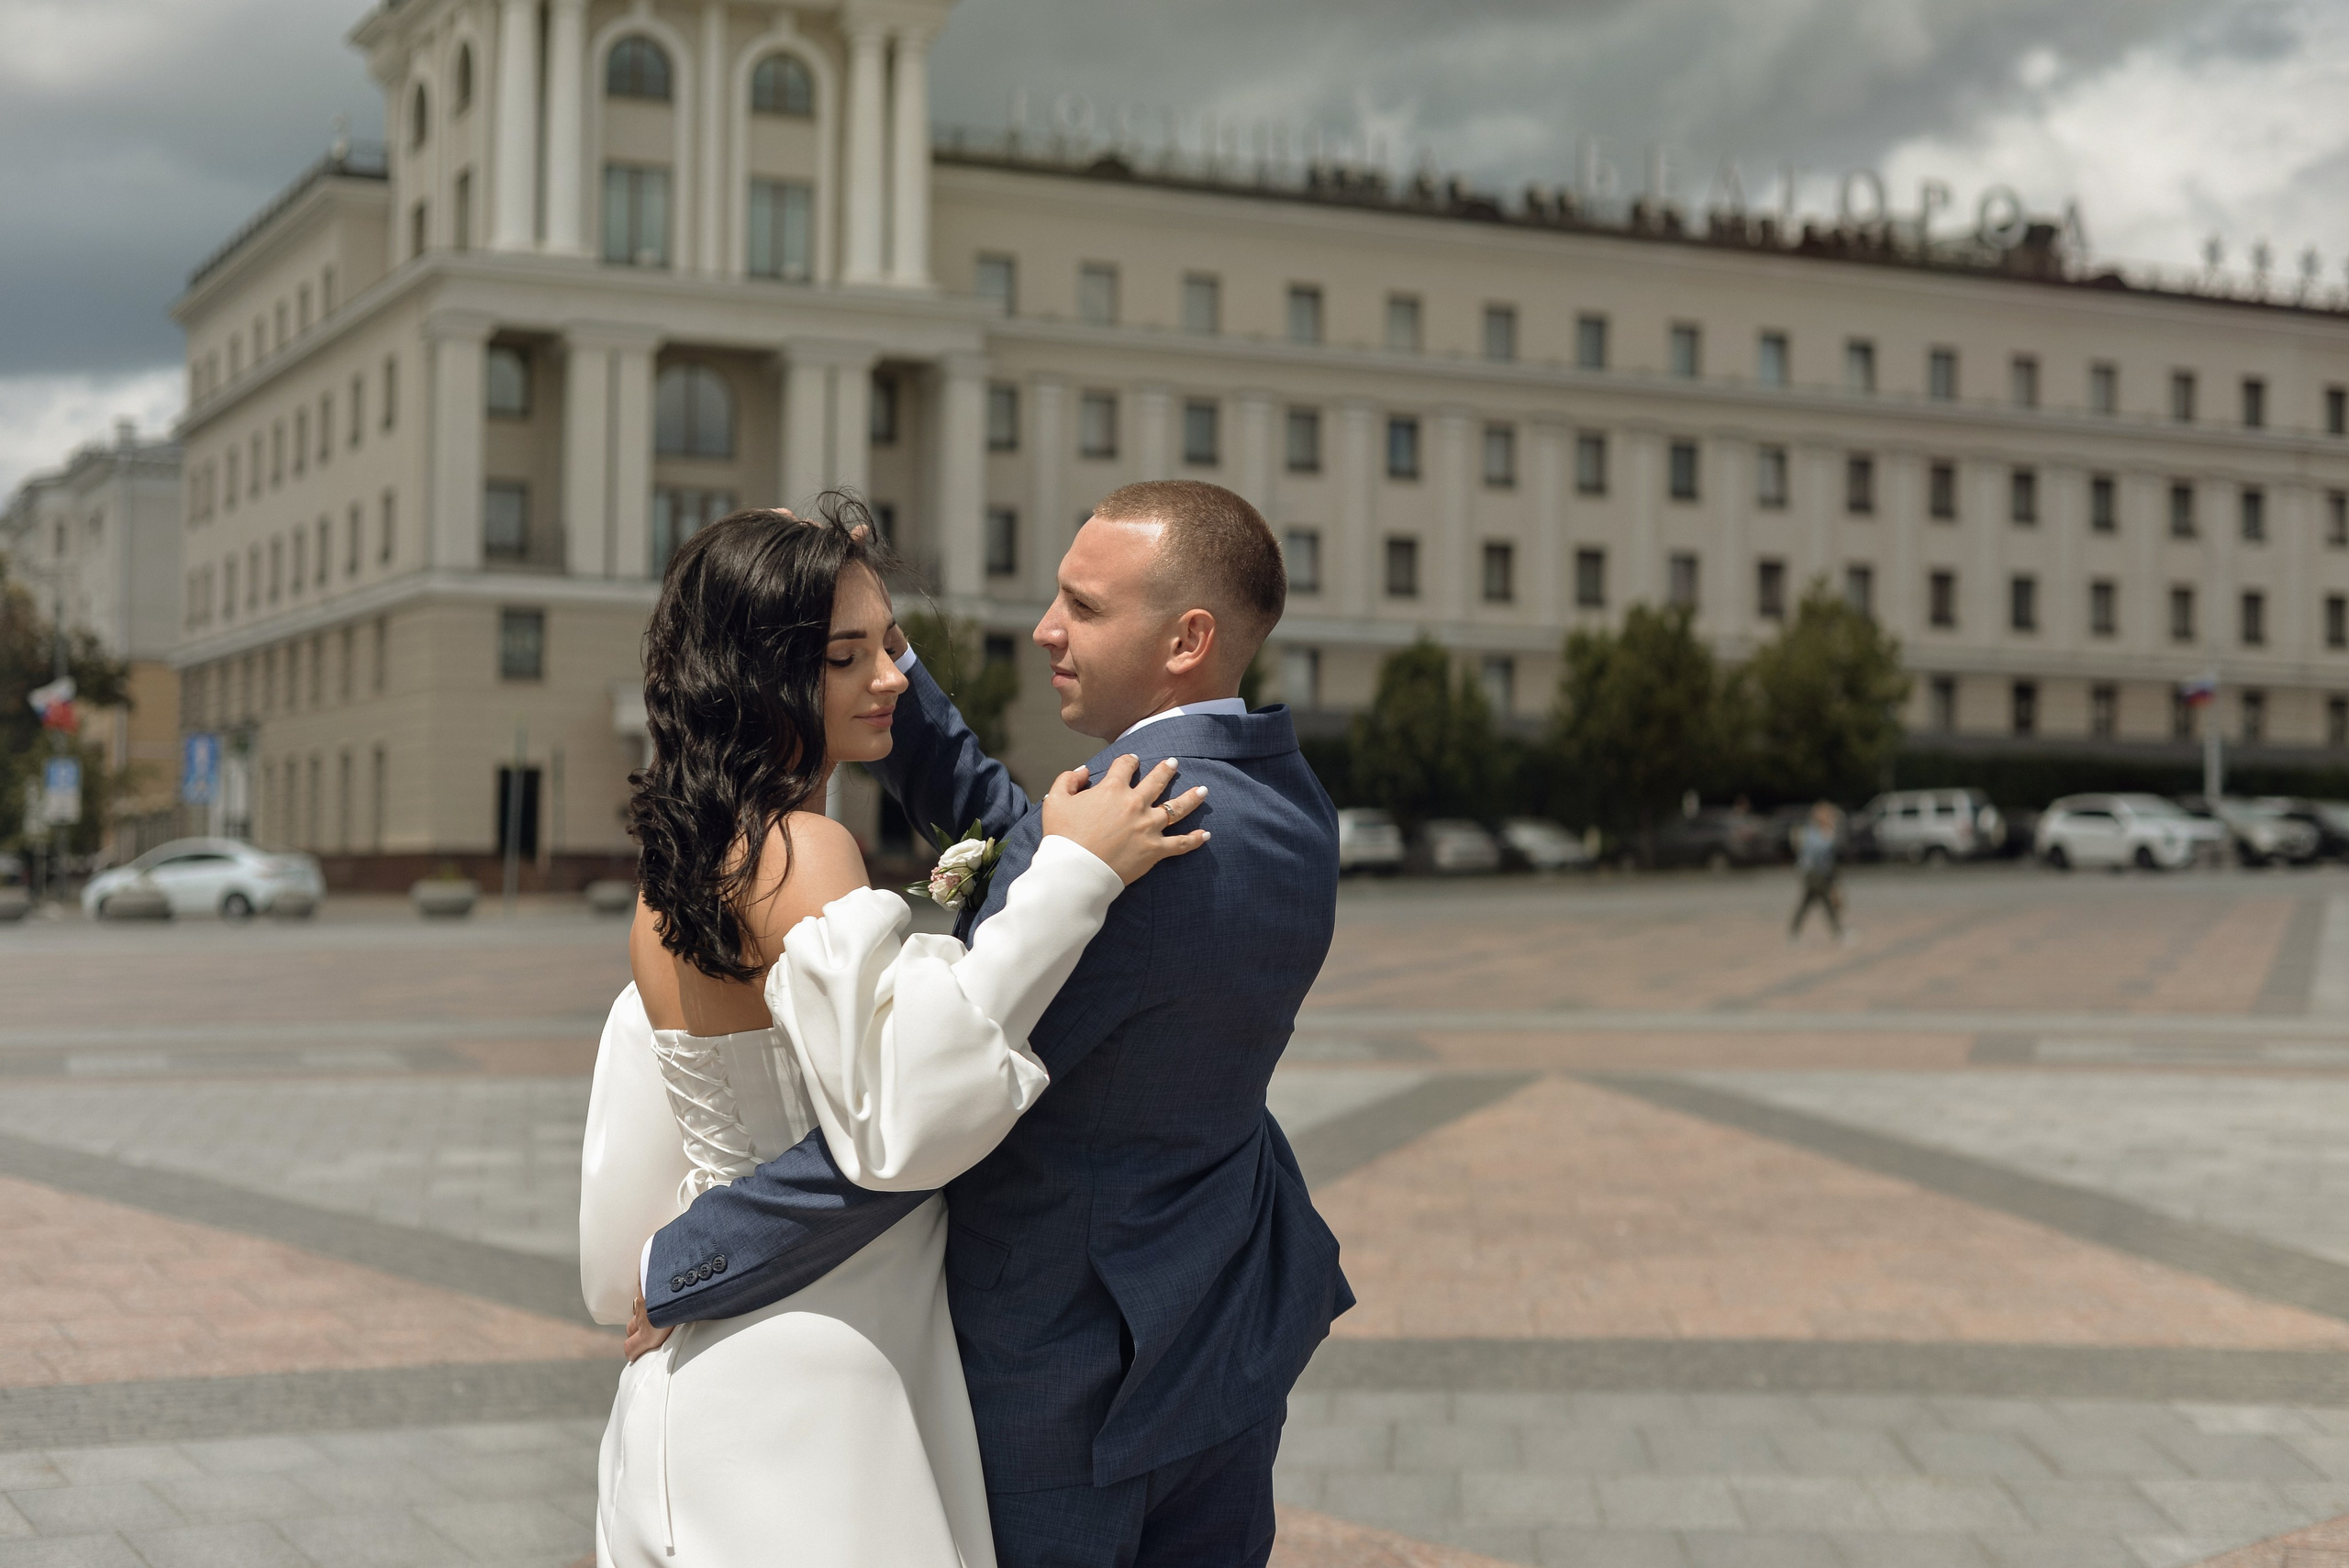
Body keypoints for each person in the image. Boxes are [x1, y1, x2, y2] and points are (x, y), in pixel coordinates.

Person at [637, 480, 1352, 1568]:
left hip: (1071, 1368)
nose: (1045, 629)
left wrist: (687, 1259)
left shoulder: (1147, 842)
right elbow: (1013, 838)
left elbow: (919, 1122)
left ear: (1186, 639)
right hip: (1228, 1322)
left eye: (1084, 606)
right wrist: (886, 664)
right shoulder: (1282, 799)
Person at [1788, 800, 1846, 943]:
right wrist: (1829, 837)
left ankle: (1794, 933)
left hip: (1823, 873)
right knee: (1827, 902)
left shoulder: (1824, 830)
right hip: (1813, 873)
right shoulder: (1812, 831)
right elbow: (1816, 850)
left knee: (1807, 902)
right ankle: (1838, 933)